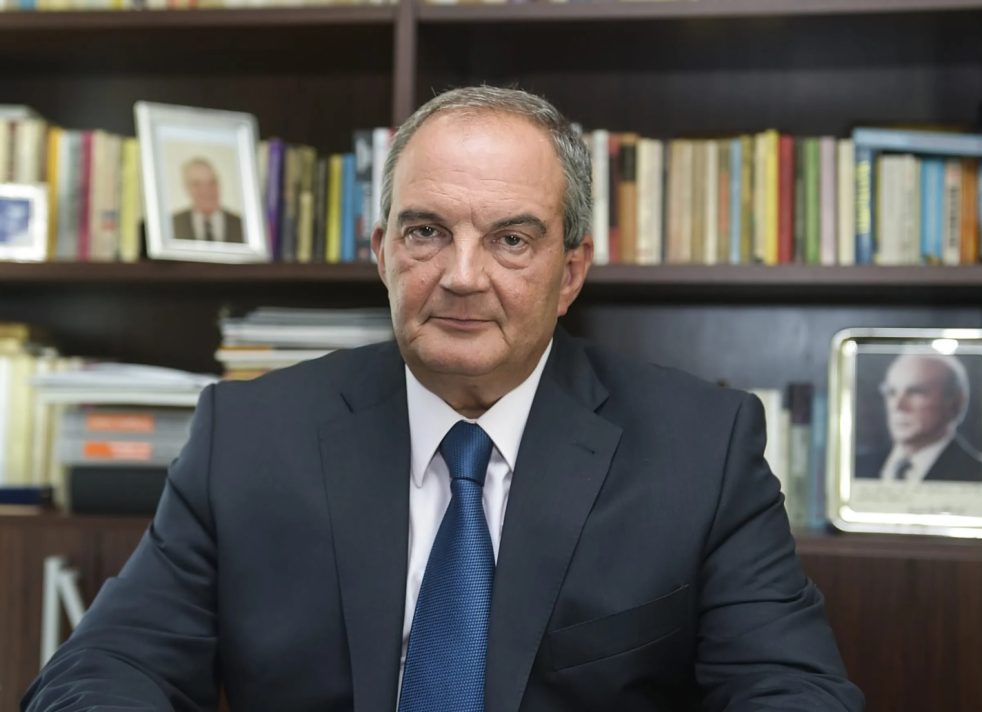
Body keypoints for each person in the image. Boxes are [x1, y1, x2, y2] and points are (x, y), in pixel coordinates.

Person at [23, 87, 863, 711]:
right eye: (426, 232)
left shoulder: (700, 449)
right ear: (382, 253)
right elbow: (104, 668)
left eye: (511, 239)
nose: (462, 276)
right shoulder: (246, 438)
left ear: (571, 272)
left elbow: (792, 690)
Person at [856, 353, 982, 483]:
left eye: (915, 392)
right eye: (891, 392)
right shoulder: (855, 467)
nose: (898, 406)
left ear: (956, 402)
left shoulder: (980, 475)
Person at [170, 157, 244, 243]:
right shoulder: (172, 225)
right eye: (197, 184)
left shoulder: (243, 225)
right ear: (186, 188)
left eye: (212, 182)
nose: (206, 190)